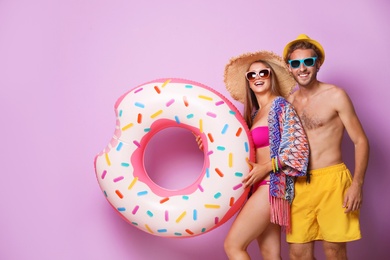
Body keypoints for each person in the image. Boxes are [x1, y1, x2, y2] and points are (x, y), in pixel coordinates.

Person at [196, 51, 310, 259]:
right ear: (248, 82)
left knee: (233, 245)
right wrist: (208, 143)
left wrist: (265, 168)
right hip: (259, 188)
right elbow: (240, 151)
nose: (257, 77)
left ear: (271, 76)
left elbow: (298, 149)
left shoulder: (281, 106)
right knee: (270, 254)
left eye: (263, 73)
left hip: (271, 186)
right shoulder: (256, 114)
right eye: (252, 75)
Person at [282, 34, 370, 260]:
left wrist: (357, 184)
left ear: (318, 64)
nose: (302, 68)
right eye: (296, 63)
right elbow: (269, 139)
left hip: (332, 182)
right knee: (298, 253)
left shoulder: (336, 95)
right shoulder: (288, 103)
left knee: (334, 251)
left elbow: (360, 140)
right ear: (289, 68)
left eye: (308, 62)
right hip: (299, 184)